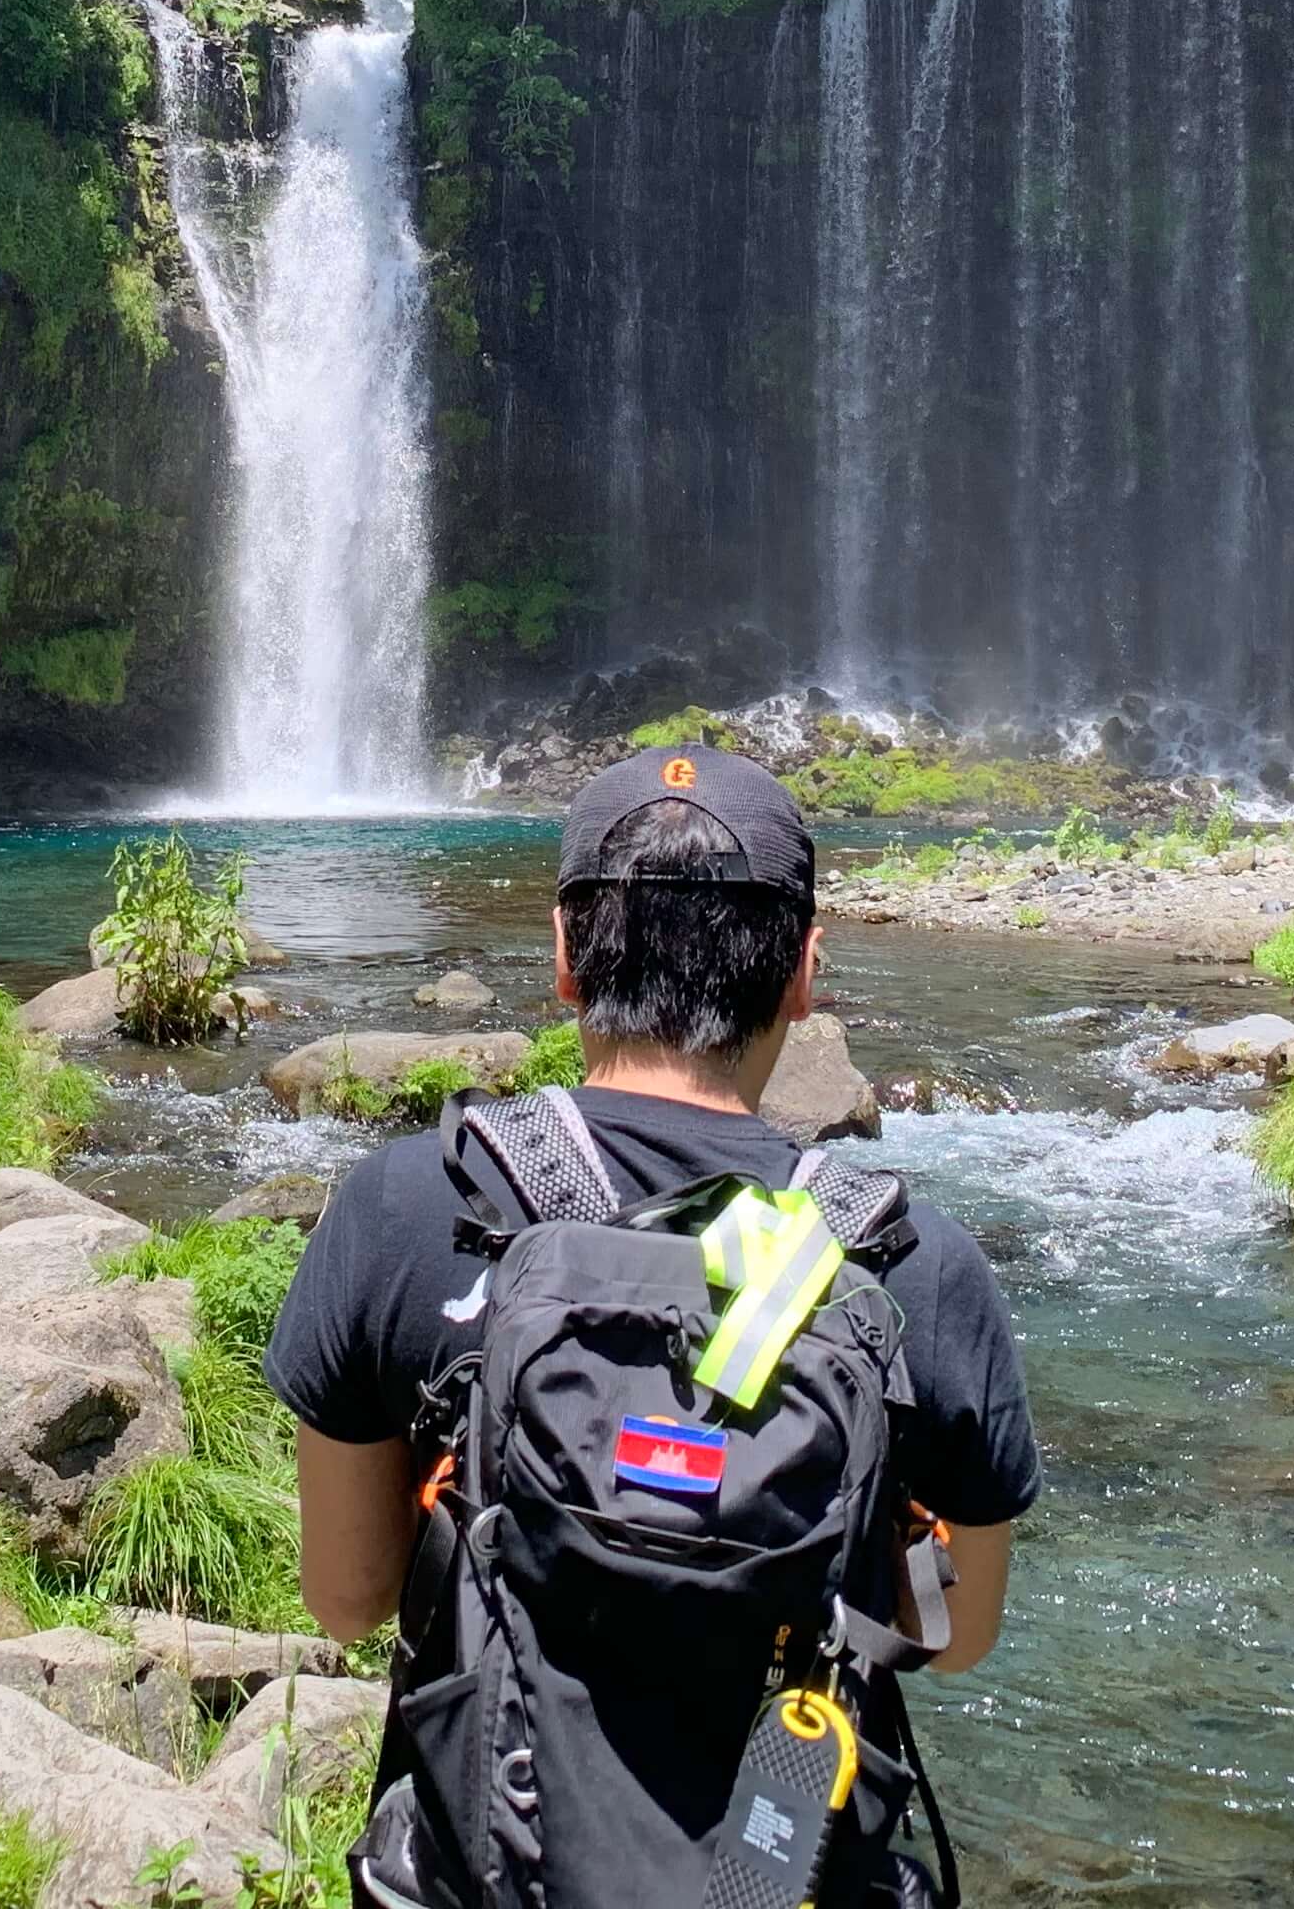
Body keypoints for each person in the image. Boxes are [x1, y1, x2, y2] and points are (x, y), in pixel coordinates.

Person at [267, 745, 1039, 1909]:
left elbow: (347, 1596)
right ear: (803, 976)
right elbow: (953, 1631)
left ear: (566, 959)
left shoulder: (406, 1210)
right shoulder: (914, 1268)